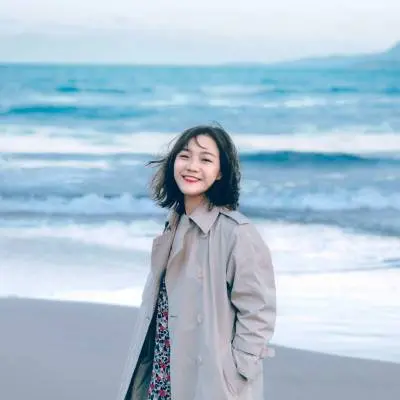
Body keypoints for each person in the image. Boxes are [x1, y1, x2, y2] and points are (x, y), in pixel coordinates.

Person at [117, 124, 276, 400]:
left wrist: (238, 371)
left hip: (211, 380)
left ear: (220, 172)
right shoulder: (174, 223)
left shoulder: (236, 232)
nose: (192, 166)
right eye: (185, 156)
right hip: (163, 370)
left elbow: (258, 311)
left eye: (205, 159)